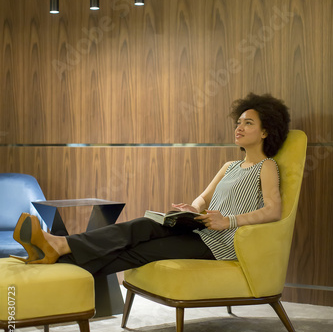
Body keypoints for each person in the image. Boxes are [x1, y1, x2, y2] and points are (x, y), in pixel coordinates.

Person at [12, 92, 290, 277]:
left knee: (139, 252)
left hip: (220, 245)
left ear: (266, 131)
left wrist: (228, 221)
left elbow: (273, 210)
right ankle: (59, 248)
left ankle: (58, 259)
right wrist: (191, 210)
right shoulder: (229, 166)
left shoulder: (266, 167)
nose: (239, 128)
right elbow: (202, 199)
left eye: (248, 123)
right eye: (238, 122)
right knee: (141, 225)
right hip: (198, 230)